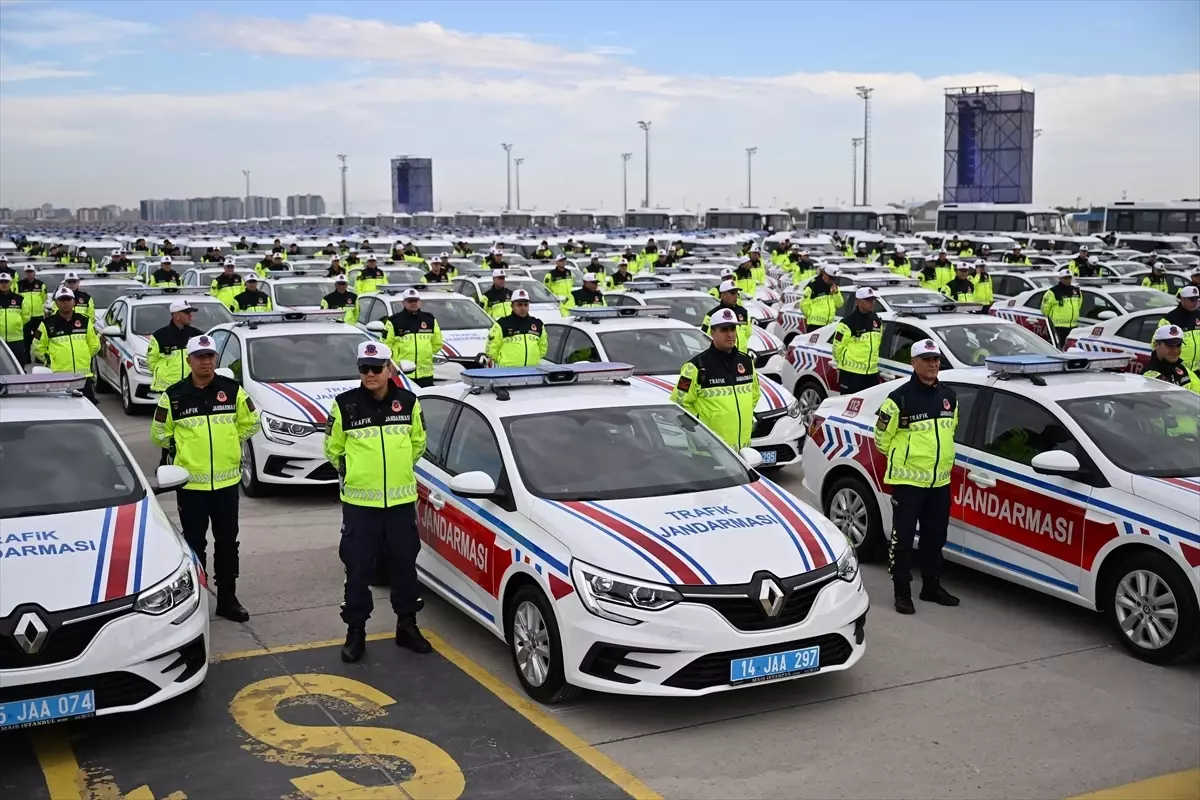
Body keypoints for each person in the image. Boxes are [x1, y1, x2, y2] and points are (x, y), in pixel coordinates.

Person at [326, 340, 429, 661]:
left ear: (389, 369)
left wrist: (398, 473)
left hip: (399, 504)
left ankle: (407, 626)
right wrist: (358, 474)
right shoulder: (345, 405)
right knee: (358, 570)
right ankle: (355, 631)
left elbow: (418, 444)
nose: (369, 374)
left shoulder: (408, 402)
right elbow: (333, 450)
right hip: (360, 507)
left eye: (375, 368)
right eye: (364, 368)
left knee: (404, 566)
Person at [151, 334, 259, 622]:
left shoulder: (232, 391)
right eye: (200, 357)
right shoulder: (174, 395)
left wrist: (230, 443)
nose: (206, 361)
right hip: (191, 486)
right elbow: (159, 433)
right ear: (189, 361)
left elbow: (251, 422)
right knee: (194, 544)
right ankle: (196, 598)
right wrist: (181, 450)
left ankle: (227, 598)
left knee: (228, 542)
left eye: (210, 356)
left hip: (226, 484)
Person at [874, 337, 960, 615]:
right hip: (908, 483)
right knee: (902, 540)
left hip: (939, 483)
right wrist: (906, 460)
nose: (933, 364)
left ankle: (931, 587)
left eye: (936, 359)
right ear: (914, 363)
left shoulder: (949, 397)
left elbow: (950, 432)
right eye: (926, 359)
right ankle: (902, 592)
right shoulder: (898, 398)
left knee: (935, 538)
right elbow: (881, 439)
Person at [671, 307, 760, 450]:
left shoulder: (746, 362)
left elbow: (754, 396)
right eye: (724, 329)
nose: (730, 334)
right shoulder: (696, 367)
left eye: (733, 329)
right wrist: (701, 429)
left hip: (742, 453)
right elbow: (679, 404)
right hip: (709, 453)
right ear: (712, 332)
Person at [34, 286, 101, 403]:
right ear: (56, 303)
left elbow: (95, 345)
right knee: (62, 408)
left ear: (74, 302)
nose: (66, 303)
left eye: (68, 299)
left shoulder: (85, 321)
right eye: (62, 300)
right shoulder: (47, 324)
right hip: (59, 377)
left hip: (83, 377)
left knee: (87, 408)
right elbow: (37, 346)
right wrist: (50, 360)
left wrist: (84, 356)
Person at [383, 288, 442, 388]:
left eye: (415, 300)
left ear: (420, 302)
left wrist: (425, 353)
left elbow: (437, 344)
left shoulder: (430, 320)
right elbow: (385, 345)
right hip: (402, 373)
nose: (413, 303)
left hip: (425, 373)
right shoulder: (394, 321)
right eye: (410, 301)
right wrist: (396, 362)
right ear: (403, 303)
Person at [832, 286, 882, 394]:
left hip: (871, 375)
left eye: (872, 300)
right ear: (858, 301)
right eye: (868, 300)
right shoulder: (847, 323)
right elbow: (837, 348)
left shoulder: (876, 321)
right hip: (851, 374)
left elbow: (878, 344)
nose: (871, 303)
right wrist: (843, 366)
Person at [485, 289, 547, 367]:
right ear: (512, 306)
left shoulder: (538, 324)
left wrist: (534, 360)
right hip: (509, 371)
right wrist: (502, 362)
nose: (523, 308)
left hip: (532, 370)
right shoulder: (502, 324)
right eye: (519, 305)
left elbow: (543, 348)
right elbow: (491, 349)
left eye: (526, 305)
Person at [1143, 325, 1200, 396]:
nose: (1175, 350)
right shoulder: (1149, 376)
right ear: (1156, 345)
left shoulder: (1183, 369)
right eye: (1170, 346)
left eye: (1178, 345)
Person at [701, 280, 752, 352]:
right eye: (732, 293)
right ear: (722, 295)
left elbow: (748, 333)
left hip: (741, 355)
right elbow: (706, 339)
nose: (736, 296)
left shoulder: (743, 312)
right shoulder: (712, 315)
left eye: (737, 293)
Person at [1157, 285, 1200, 370]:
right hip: (1177, 369)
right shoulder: (1170, 319)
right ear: (1182, 299)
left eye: (1197, 299)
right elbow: (1157, 345)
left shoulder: (1198, 316)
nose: (1195, 303)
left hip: (1197, 370)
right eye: (1192, 300)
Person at [1041, 268, 1082, 349]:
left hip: (1073, 326)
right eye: (1065, 278)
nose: (1068, 280)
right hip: (1058, 326)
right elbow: (1045, 309)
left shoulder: (1076, 290)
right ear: (1060, 279)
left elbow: (1079, 304)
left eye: (1069, 278)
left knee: (1070, 350)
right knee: (1059, 349)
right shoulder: (1053, 292)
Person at [0, 271, 29, 365]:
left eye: (6, 282)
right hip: (0, 340)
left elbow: (26, 316)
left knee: (19, 365)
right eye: (1, 282)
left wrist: (17, 324)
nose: (3, 284)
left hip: (16, 339)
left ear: (10, 283)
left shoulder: (19, 299)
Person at [801, 264, 842, 330]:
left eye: (835, 278)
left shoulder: (834, 286)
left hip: (829, 325)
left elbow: (839, 304)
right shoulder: (813, 285)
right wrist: (812, 316)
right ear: (825, 274)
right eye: (831, 278)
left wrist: (836, 292)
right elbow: (803, 305)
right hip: (814, 326)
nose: (833, 281)